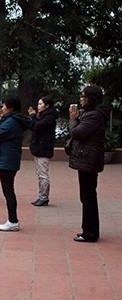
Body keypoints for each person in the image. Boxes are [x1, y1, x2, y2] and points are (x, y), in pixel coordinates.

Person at [69, 85, 109, 243]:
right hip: (87, 158)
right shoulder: (92, 114)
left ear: (91, 98)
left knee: (88, 197)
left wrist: (73, 118)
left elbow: (77, 132)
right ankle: (89, 230)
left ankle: (90, 232)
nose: (81, 99)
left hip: (88, 159)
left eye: (83, 96)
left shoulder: (94, 116)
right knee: (87, 196)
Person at [0, 95, 31, 231]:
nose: (2, 108)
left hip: (7, 160)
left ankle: (13, 221)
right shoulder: (13, 120)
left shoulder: (11, 122)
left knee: (8, 191)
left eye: (3, 106)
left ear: (10, 107)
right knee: (9, 190)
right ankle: (12, 220)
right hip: (9, 159)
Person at [27, 96, 59, 206]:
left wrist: (32, 116)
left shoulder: (49, 117)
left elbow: (36, 126)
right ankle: (41, 196)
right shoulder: (43, 116)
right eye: (38, 104)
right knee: (40, 173)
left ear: (47, 106)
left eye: (41, 104)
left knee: (43, 174)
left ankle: (44, 197)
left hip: (43, 149)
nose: (38, 106)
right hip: (39, 148)